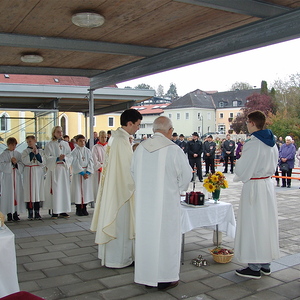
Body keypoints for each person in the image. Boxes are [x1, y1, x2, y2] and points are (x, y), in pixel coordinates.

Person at [131, 116, 192, 290]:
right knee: (167, 239)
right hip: (166, 204)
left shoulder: (140, 148)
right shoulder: (173, 150)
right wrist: (177, 189)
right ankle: (166, 278)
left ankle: (147, 277)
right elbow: (186, 176)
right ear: (170, 130)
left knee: (147, 237)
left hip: (144, 204)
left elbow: (133, 172)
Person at [90, 108, 142, 268]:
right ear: (129, 123)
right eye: (138, 124)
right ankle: (120, 259)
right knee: (121, 224)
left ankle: (116, 257)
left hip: (116, 187)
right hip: (121, 191)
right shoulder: (120, 140)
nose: (139, 128)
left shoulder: (118, 137)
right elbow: (128, 168)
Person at [234, 110, 279, 279]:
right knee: (265, 223)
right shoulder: (272, 142)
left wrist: (239, 162)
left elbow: (243, 168)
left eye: (247, 122)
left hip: (254, 186)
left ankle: (254, 266)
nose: (246, 124)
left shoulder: (253, 143)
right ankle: (265, 264)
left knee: (253, 223)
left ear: (252, 123)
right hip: (267, 185)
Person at [44, 126, 73, 219]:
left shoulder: (65, 144)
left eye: (61, 131)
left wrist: (65, 158)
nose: (60, 133)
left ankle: (64, 210)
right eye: (58, 132)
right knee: (56, 190)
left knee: (64, 189)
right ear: (54, 133)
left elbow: (70, 155)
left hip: (64, 169)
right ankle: (55, 211)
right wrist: (57, 158)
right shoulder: (50, 144)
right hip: (55, 169)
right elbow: (46, 157)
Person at [0, 137, 24, 222]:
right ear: (8, 144)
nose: (13, 146)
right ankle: (9, 213)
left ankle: (16, 213)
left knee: (17, 194)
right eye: (12, 144)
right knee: (9, 194)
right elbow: (1, 165)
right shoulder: (4, 154)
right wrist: (10, 163)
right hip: (8, 177)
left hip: (16, 176)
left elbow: (22, 164)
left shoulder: (18, 154)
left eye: (15, 145)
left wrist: (16, 164)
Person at [21, 135, 45, 220]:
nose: (29, 143)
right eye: (27, 142)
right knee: (29, 192)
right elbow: (25, 161)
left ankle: (37, 211)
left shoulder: (41, 151)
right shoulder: (25, 151)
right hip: (29, 172)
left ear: (35, 141)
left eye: (30, 141)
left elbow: (43, 162)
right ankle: (30, 212)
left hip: (37, 172)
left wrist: (37, 154)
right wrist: (31, 154)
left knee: (37, 192)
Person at [71, 134, 94, 216]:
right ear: (77, 142)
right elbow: (74, 163)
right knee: (78, 191)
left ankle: (84, 207)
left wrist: (88, 172)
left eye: (83, 141)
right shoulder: (74, 151)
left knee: (85, 191)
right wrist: (82, 173)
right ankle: (78, 208)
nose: (82, 142)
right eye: (80, 141)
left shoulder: (88, 151)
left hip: (86, 173)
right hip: (79, 174)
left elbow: (91, 161)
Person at [91, 130, 108, 199]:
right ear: (99, 137)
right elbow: (94, 159)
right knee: (99, 187)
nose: (104, 139)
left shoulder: (109, 147)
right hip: (99, 170)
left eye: (105, 137)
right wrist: (100, 167)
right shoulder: (95, 147)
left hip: (107, 169)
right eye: (102, 137)